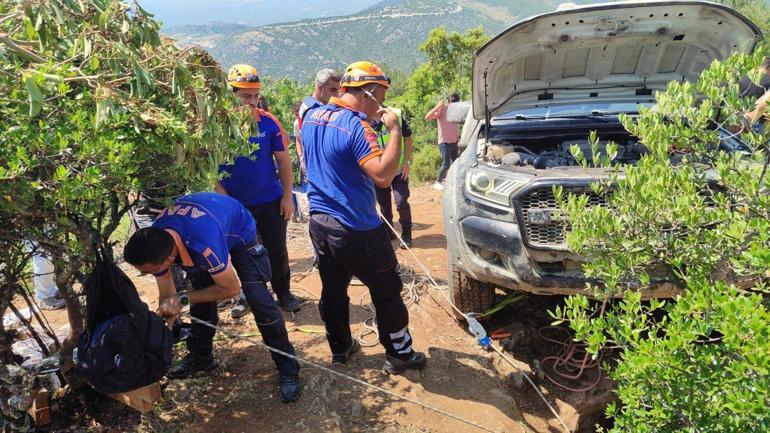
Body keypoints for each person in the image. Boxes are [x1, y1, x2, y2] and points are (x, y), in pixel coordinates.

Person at [301, 61, 426, 374]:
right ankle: (400, 353)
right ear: (368, 93)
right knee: (386, 290)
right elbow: (383, 176)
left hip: (320, 224)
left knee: (333, 289)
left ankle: (340, 347)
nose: (382, 106)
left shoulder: (312, 116)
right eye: (381, 97)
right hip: (357, 229)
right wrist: (395, 128)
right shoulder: (357, 127)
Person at [122, 192, 302, 402]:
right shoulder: (156, 242)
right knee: (201, 298)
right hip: (200, 229)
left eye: (147, 271)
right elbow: (167, 293)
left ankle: (288, 369)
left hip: (239, 231)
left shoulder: (204, 245)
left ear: (169, 259)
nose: (145, 274)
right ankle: (200, 358)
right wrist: (166, 324)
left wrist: (182, 299)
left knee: (259, 300)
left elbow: (231, 289)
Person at [216, 64, 302, 317]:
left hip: (271, 201)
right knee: (244, 253)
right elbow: (210, 170)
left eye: (255, 95)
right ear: (229, 94)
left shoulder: (268, 123)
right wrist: (228, 206)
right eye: (245, 96)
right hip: (237, 206)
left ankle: (283, 292)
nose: (252, 102)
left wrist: (288, 197)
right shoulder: (216, 129)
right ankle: (248, 295)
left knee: (276, 249)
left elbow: (284, 161)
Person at [373, 112, 414, 247]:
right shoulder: (364, 118)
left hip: (399, 171)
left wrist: (406, 162)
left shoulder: (395, 115)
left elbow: (408, 138)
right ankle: (389, 232)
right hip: (380, 172)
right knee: (384, 205)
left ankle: (407, 234)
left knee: (401, 201)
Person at [425, 92, 461, 190]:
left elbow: (457, 126)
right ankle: (438, 182)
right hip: (444, 142)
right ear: (449, 102)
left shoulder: (457, 111)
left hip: (454, 142)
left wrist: (459, 137)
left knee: (455, 164)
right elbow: (427, 117)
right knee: (446, 164)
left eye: (455, 102)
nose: (453, 104)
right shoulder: (442, 109)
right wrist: (437, 106)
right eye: (452, 102)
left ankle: (453, 181)